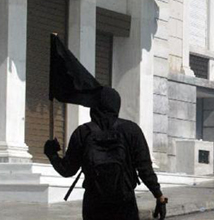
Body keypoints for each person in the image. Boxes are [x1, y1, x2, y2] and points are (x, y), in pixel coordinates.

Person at [43, 86, 167, 220]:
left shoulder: (82, 133)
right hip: (124, 204)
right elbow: (145, 169)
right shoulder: (131, 130)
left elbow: (67, 170)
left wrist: (52, 154)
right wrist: (159, 196)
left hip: (94, 205)